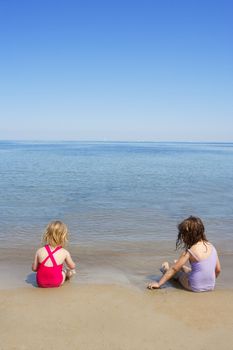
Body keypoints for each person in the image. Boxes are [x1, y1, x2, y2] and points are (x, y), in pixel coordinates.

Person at [148, 216, 221, 292]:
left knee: (179, 274)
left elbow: (174, 269)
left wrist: (158, 284)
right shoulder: (212, 247)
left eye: (183, 235)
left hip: (194, 286)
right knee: (192, 271)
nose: (182, 238)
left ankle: (166, 269)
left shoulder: (191, 251)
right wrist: (208, 282)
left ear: (189, 236)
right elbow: (218, 270)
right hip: (210, 286)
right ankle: (182, 266)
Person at [32, 220, 76, 288]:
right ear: (64, 237)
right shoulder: (64, 252)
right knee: (69, 271)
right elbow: (72, 266)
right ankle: (66, 277)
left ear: (47, 234)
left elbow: (34, 269)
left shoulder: (39, 251)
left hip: (40, 283)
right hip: (57, 282)